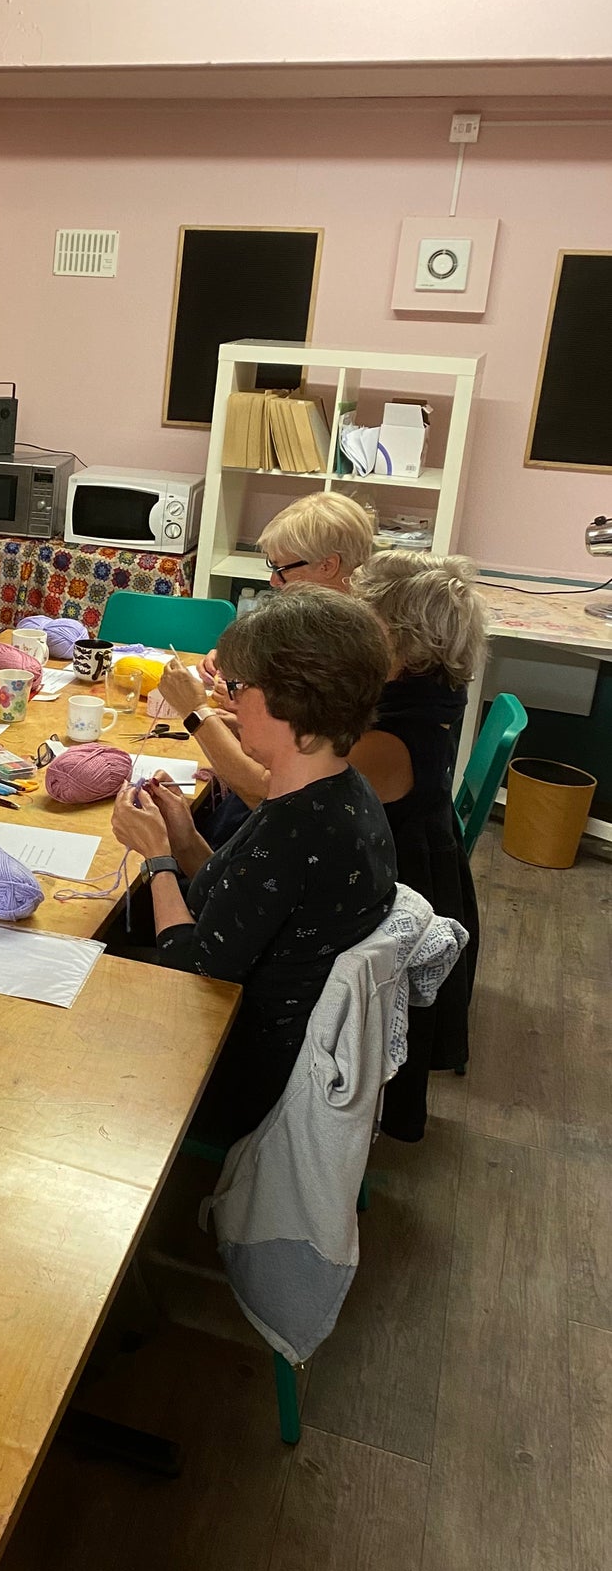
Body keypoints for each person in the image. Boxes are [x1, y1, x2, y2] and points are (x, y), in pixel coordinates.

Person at [112, 588, 397, 1146]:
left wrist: (159, 861)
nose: (231, 703)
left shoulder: (299, 830)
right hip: (265, 1035)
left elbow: (191, 970)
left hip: (234, 1073)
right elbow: (250, 902)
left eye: (241, 689)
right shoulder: (334, 791)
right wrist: (187, 838)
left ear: (293, 702)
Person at [348, 550, 487, 1140]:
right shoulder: (427, 695)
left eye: (365, 620)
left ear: (400, 640)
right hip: (422, 857)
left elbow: (284, 800)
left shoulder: (393, 737)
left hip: (394, 887)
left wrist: (203, 722)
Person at [174, 490, 382, 832]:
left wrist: (199, 713)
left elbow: (268, 790)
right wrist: (240, 672)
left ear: (328, 565)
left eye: (283, 569)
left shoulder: (342, 654)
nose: (274, 581)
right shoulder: (326, 630)